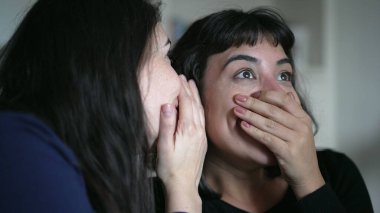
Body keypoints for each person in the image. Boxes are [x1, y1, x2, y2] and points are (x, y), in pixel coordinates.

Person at [0, 0, 207, 212]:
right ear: (116, 66)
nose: (180, 80)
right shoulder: (21, 149)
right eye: (166, 57)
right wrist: (183, 189)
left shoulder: (90, 174)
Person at [170, 7, 373, 213]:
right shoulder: (159, 197)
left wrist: (309, 182)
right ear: (192, 92)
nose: (276, 94)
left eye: (284, 76)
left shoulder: (336, 173)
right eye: (245, 73)